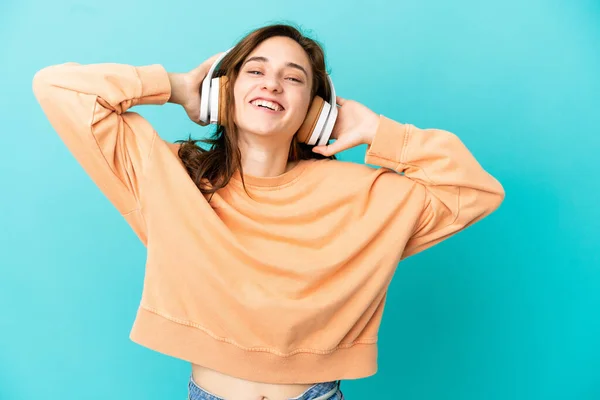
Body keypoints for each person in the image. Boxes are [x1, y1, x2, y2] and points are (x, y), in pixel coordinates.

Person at [32, 23, 505, 400]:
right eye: (255, 70)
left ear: (316, 112)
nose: (273, 83)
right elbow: (56, 87)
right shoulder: (169, 176)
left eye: (294, 78)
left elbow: (474, 190)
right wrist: (176, 87)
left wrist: (377, 129)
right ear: (224, 90)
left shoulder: (362, 196)